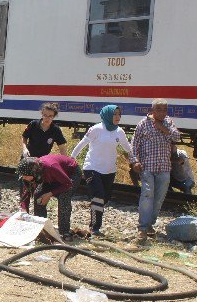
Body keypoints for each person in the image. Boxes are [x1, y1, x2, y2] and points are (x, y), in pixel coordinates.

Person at [70, 105, 139, 236]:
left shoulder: (120, 132)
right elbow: (82, 144)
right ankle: (94, 227)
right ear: (107, 115)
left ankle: (95, 210)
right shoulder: (96, 129)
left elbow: (128, 148)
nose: (118, 117)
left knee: (104, 198)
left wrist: (135, 159)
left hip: (109, 171)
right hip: (92, 168)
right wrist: (71, 159)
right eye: (115, 114)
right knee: (98, 196)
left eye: (119, 114)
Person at [131, 98, 181, 241]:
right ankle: (142, 228)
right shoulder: (143, 124)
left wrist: (162, 128)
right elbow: (134, 145)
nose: (162, 112)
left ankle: (149, 225)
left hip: (164, 167)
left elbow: (177, 137)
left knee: (158, 199)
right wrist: (135, 162)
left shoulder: (168, 122)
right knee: (147, 195)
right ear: (152, 110)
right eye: (159, 109)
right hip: (147, 167)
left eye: (165, 109)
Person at [17, 155, 81, 242]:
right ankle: (42, 227)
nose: (23, 178)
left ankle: (64, 231)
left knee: (63, 197)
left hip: (70, 175)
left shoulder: (51, 167)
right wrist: (24, 210)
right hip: (52, 177)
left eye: (24, 176)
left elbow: (67, 184)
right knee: (38, 194)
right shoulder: (31, 172)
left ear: (33, 172)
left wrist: (49, 194)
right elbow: (26, 192)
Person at [20, 103, 67, 215]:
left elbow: (62, 147)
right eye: (45, 115)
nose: (47, 118)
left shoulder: (55, 130)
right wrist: (24, 148)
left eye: (50, 116)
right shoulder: (33, 124)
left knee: (38, 189)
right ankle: (23, 211)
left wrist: (64, 164)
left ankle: (38, 214)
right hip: (28, 160)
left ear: (54, 116)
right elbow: (24, 137)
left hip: (42, 163)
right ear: (42, 114)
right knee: (25, 187)